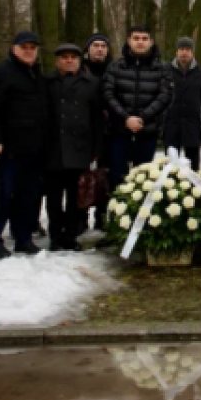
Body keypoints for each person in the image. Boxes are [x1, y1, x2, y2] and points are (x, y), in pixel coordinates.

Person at [0, 31, 49, 258]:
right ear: (14, 48)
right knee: (2, 195)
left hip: (33, 148)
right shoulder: (0, 73)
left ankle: (23, 238)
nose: (29, 51)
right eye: (24, 47)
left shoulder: (37, 74)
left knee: (27, 195)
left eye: (32, 47)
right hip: (8, 148)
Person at [44, 44, 104, 251]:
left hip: (80, 147)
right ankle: (55, 234)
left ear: (80, 61)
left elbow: (97, 119)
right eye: (64, 57)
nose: (69, 61)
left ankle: (71, 235)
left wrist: (96, 147)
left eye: (73, 57)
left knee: (75, 195)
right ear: (57, 60)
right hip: (52, 148)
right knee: (53, 197)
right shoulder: (47, 82)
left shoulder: (92, 84)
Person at [103, 26, 173, 183]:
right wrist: (126, 118)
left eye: (144, 38)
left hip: (147, 132)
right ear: (128, 41)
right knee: (117, 179)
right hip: (119, 132)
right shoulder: (115, 67)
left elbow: (165, 96)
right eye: (136, 38)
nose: (140, 42)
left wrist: (142, 118)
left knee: (143, 181)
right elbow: (108, 95)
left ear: (151, 42)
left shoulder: (162, 69)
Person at [162, 37, 201, 170]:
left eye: (187, 50)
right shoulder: (165, 71)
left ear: (192, 53)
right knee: (170, 169)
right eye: (181, 49)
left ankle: (194, 190)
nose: (184, 53)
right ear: (176, 52)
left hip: (193, 128)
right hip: (171, 127)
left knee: (193, 168)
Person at [83, 33, 113, 230]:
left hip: (108, 131)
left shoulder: (113, 70)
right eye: (96, 45)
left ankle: (101, 216)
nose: (100, 49)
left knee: (104, 176)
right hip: (83, 130)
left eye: (103, 46)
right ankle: (80, 217)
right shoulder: (80, 69)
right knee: (83, 177)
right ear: (88, 49)